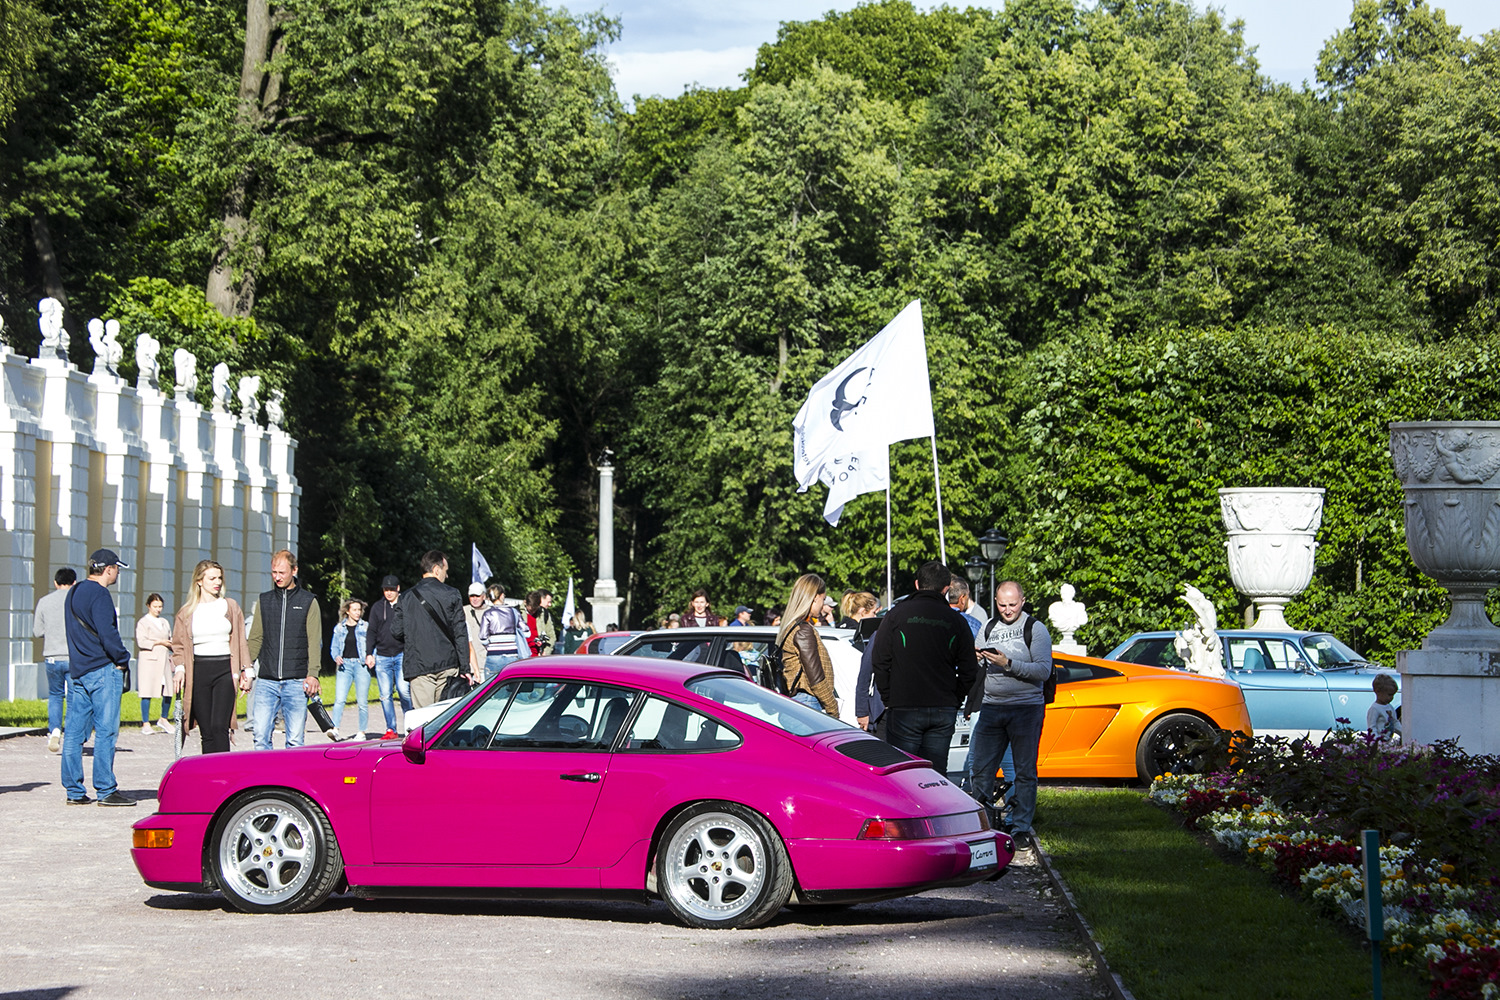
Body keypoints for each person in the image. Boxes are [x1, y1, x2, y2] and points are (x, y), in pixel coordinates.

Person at [966, 580, 1053, 851]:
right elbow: (976, 662)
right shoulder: (989, 627)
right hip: (992, 707)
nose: (1007, 610)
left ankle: (1020, 827)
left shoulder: (1035, 629)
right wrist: (978, 657)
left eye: (1012, 604)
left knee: (1025, 770)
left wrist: (1008, 664)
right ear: (995, 601)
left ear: (1023, 601)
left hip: (1026, 708)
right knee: (981, 770)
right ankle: (985, 824)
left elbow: (1043, 670)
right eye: (1002, 604)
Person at [871, 560, 979, 772]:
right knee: (935, 773)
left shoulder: (896, 615)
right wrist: (955, 697)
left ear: (917, 584)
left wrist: (889, 697)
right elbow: (969, 668)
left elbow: (880, 660)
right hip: (941, 706)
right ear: (947, 588)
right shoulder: (956, 621)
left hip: (905, 705)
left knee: (903, 773)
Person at [61, 549, 134, 805]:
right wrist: (123, 659)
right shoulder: (101, 595)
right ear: (108, 569)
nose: (118, 572)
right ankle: (105, 789)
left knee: (73, 733)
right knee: (106, 731)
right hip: (102, 669)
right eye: (117, 568)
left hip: (78, 669)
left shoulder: (75, 590)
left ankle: (74, 791)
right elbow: (108, 634)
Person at [171, 560, 252, 755]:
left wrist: (247, 670)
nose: (217, 582)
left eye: (219, 578)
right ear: (199, 581)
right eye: (212, 578)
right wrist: (180, 668)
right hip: (198, 671)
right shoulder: (187, 612)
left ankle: (225, 774)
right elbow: (179, 644)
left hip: (224, 669)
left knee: (219, 726)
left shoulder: (229, 606)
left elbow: (241, 639)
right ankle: (209, 777)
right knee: (206, 730)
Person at [246, 549, 322, 750]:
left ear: (294, 570)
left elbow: (314, 641)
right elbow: (255, 638)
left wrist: (313, 674)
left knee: (295, 741)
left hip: (296, 682)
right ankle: (263, 779)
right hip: (266, 681)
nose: (277, 577)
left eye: (282, 572)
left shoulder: (308, 601)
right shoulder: (265, 600)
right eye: (274, 572)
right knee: (260, 736)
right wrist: (245, 668)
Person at [393, 550, 476, 707]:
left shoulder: (406, 597)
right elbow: (460, 633)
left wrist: (414, 637)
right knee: (445, 719)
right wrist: (465, 668)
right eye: (446, 571)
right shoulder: (452, 594)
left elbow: (396, 631)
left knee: (423, 720)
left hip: (419, 665)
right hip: (448, 666)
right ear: (437, 569)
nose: (447, 575)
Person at [775, 574, 839, 717]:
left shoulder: (792, 626)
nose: (823, 605)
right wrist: (832, 707)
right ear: (815, 597)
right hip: (808, 702)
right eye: (823, 599)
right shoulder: (803, 630)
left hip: (801, 702)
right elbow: (815, 677)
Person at [33, 567, 76, 752]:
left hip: (51, 656)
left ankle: (55, 731)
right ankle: (74, 734)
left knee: (55, 695)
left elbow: (37, 631)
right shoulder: (76, 601)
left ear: (55, 583)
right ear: (74, 583)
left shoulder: (44, 602)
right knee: (75, 696)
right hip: (74, 657)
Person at [366, 574, 409, 739]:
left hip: (401, 654)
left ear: (398, 589)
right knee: (385, 695)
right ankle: (391, 728)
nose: (389, 593)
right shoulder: (377, 607)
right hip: (383, 655)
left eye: (392, 589)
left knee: (404, 691)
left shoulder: (405, 605)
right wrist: (369, 653)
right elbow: (372, 631)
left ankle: (411, 727)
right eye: (386, 590)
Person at [328, 598, 370, 741]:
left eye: (359, 610)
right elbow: (333, 647)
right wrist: (336, 657)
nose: (358, 613)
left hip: (361, 665)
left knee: (362, 701)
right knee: (339, 699)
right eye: (355, 610)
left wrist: (371, 657)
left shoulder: (366, 627)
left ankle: (362, 732)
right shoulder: (340, 628)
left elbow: (372, 645)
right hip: (345, 665)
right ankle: (335, 729)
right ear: (347, 611)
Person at [135, 593, 175, 733]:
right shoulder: (143, 622)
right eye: (155, 606)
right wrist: (159, 642)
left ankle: (164, 718)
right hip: (149, 660)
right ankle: (145, 723)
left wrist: (170, 644)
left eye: (160, 607)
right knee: (147, 690)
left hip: (164, 659)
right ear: (148, 606)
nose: (158, 609)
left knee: (168, 690)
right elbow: (142, 641)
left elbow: (170, 637)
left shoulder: (164, 622)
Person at [478, 583, 529, 679]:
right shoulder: (514, 612)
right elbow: (527, 632)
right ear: (502, 596)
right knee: (510, 689)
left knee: (491, 687)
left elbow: (482, 638)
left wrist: (490, 645)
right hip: (511, 656)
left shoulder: (488, 613)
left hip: (493, 656)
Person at [1368, 674, 1401, 742]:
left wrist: (1405, 734)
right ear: (1378, 691)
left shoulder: (1390, 707)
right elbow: (1372, 727)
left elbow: (1395, 722)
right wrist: (1377, 741)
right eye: (1389, 695)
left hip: (1388, 741)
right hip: (1379, 742)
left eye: (1393, 695)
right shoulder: (1375, 709)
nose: (1391, 698)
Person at [464, 582, 489, 668]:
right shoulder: (462, 611)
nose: (474, 599)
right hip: (468, 665)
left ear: (484, 596)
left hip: (486, 663)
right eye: (472, 596)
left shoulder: (491, 612)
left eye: (477, 596)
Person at [525, 589, 556, 655]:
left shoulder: (544, 614)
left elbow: (551, 636)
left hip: (538, 654)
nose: (533, 612)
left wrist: (546, 651)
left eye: (535, 609)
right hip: (523, 654)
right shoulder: (518, 613)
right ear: (526, 603)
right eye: (531, 609)